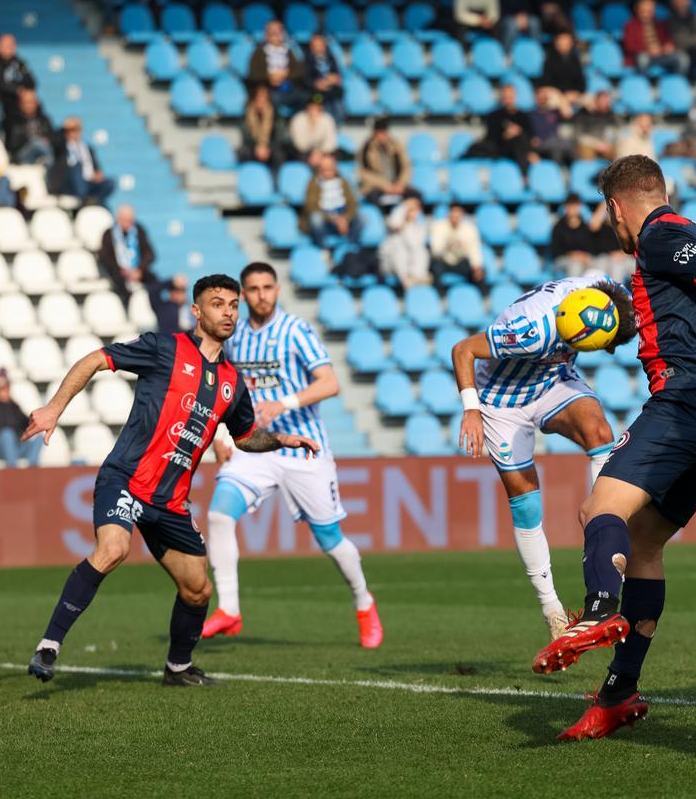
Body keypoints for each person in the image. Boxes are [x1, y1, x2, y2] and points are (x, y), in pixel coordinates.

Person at [532, 155, 696, 744]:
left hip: (686, 403)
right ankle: (620, 693)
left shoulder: (661, 236)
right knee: (643, 545)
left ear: (618, 207)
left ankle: (597, 610)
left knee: (599, 511)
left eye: (607, 214)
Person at [24, 274, 320, 686]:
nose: (229, 312)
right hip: (127, 478)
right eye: (218, 304)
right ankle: (48, 647)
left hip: (171, 501)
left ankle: (178, 668)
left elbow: (244, 435)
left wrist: (280, 439)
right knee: (113, 549)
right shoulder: (164, 348)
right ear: (197, 312)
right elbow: (95, 359)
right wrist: (55, 408)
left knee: (198, 590)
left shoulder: (232, 383)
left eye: (233, 305)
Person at [203, 262, 381, 646]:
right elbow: (226, 390)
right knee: (218, 515)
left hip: (305, 448)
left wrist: (284, 402)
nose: (261, 295)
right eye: (252, 289)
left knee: (329, 538)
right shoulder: (234, 340)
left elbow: (330, 383)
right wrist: (220, 433)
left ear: (278, 289)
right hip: (254, 447)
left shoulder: (295, 331)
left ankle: (364, 602)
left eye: (268, 287)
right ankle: (230, 609)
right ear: (243, 294)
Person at [453, 275, 636, 640]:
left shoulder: (604, 295)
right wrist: (471, 410)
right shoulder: (531, 331)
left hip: (551, 383)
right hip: (501, 402)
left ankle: (605, 529)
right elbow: (462, 350)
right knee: (525, 506)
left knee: (600, 432)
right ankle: (552, 609)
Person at [0, 369, 42, 467]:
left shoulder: (14, 407)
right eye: (1, 389)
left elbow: (27, 423)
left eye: (6, 388)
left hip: (15, 447)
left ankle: (32, 468)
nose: (4, 391)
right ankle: (12, 469)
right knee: (7, 434)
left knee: (39, 437)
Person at [98, 205, 158, 307]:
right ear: (118, 219)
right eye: (125, 220)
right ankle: (127, 309)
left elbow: (150, 254)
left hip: (138, 271)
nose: (129, 223)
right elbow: (105, 257)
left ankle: (154, 309)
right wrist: (122, 270)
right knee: (120, 286)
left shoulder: (138, 231)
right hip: (118, 273)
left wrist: (139, 270)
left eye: (131, 220)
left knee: (155, 283)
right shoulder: (109, 234)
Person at [464, 83, 533, 172]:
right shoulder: (494, 115)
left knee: (518, 141)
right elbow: (491, 137)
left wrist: (519, 131)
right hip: (500, 147)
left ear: (515, 97)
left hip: (519, 148)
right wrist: (506, 135)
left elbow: (531, 136)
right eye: (505, 97)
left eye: (510, 97)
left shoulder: (523, 116)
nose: (508, 100)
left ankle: (524, 174)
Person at [247, 20, 306, 114]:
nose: (275, 35)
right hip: (268, 88)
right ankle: (278, 126)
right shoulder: (258, 52)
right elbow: (252, 74)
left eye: (278, 31)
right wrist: (269, 77)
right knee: (273, 99)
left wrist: (285, 75)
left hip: (288, 87)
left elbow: (300, 70)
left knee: (305, 96)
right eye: (271, 32)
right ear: (266, 34)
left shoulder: (289, 50)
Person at [300, 155, 359, 245]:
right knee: (316, 219)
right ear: (320, 169)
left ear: (335, 168)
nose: (327, 171)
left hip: (342, 214)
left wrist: (345, 218)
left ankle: (351, 245)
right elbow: (311, 206)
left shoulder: (343, 182)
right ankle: (323, 247)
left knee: (361, 218)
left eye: (330, 168)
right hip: (325, 217)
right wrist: (334, 219)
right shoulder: (314, 182)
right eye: (324, 168)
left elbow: (352, 203)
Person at [356, 117, 414, 206]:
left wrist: (401, 183)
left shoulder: (396, 145)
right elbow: (364, 173)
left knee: (416, 195)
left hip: (396, 185)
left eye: (384, 132)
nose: (382, 135)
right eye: (379, 132)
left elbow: (406, 166)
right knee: (374, 198)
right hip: (376, 187)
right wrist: (385, 186)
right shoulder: (366, 148)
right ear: (375, 133)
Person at [59, 116, 115, 205]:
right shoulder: (61, 147)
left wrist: (97, 173)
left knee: (110, 183)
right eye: (70, 130)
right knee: (76, 166)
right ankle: (84, 199)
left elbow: (97, 167)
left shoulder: (87, 148)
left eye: (76, 129)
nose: (73, 133)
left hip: (89, 181)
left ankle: (93, 202)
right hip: (71, 183)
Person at [623, 0, 685, 75]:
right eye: (644, 9)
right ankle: (642, 83)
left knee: (681, 57)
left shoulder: (659, 24)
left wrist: (668, 46)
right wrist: (648, 50)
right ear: (637, 9)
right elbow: (629, 47)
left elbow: (668, 39)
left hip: (661, 55)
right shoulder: (630, 25)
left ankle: (676, 82)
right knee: (642, 58)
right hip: (645, 56)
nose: (647, 12)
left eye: (650, 9)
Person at [379, 196, 429, 288]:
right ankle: (407, 281)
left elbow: (414, 245)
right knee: (399, 250)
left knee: (422, 251)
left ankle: (417, 277)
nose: (411, 213)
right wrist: (403, 206)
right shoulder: (394, 225)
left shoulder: (420, 227)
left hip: (411, 265)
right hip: (390, 264)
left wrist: (408, 226)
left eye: (414, 210)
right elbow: (394, 223)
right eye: (409, 210)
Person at [429, 203, 484, 282]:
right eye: (453, 214)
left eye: (458, 215)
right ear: (449, 214)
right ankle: (439, 293)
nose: (455, 217)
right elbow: (435, 250)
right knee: (436, 269)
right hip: (443, 261)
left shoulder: (469, 228)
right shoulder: (439, 226)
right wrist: (448, 245)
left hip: (461, 261)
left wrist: (477, 267)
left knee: (479, 273)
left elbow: (474, 249)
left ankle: (482, 293)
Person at [0, 34, 36, 119]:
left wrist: (25, 92)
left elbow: (31, 82)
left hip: (20, 99)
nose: (9, 48)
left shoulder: (20, 63)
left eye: (12, 45)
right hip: (2, 99)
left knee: (32, 102)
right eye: (6, 45)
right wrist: (17, 90)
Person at [241, 84, 288, 170]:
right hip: (253, 147)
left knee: (279, 154)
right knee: (244, 152)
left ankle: (275, 180)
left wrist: (268, 147)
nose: (261, 100)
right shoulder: (247, 114)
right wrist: (257, 147)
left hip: (270, 147)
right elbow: (245, 135)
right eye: (259, 97)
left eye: (264, 97)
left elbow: (279, 135)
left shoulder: (275, 115)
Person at [4, 87, 53, 166]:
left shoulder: (44, 120)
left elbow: (53, 136)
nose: (28, 106)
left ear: (36, 103)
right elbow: (12, 144)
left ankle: (48, 167)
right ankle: (49, 166)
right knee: (37, 142)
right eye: (25, 103)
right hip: (22, 155)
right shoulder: (13, 121)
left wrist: (48, 140)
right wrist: (32, 140)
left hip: (42, 151)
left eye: (31, 102)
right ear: (20, 104)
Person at [550, 194, 594, 277]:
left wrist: (584, 256)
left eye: (575, 205)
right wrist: (572, 255)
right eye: (569, 205)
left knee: (598, 264)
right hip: (563, 260)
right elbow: (556, 251)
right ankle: (574, 289)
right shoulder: (558, 227)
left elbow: (591, 247)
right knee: (575, 266)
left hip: (583, 259)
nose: (572, 209)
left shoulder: (585, 227)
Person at [289, 94, 336, 167]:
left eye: (318, 106)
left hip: (322, 153)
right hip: (303, 153)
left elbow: (331, 143)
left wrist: (319, 152)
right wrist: (314, 153)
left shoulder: (327, 119)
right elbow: (300, 144)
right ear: (308, 106)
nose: (315, 109)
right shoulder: (298, 119)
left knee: (332, 158)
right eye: (313, 106)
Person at [304, 34, 343, 122]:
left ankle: (338, 122)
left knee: (338, 103)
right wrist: (316, 83)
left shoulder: (331, 58)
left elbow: (337, 75)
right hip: (316, 93)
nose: (318, 48)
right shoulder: (307, 60)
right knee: (320, 100)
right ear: (311, 47)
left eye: (320, 45)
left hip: (332, 90)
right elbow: (306, 79)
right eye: (315, 46)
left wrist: (334, 79)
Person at [539, 29, 585, 104]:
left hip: (573, 95)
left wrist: (575, 93)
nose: (564, 43)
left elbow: (581, 83)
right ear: (556, 43)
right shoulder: (549, 61)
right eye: (561, 41)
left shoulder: (575, 61)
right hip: (555, 94)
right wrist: (562, 95)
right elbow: (547, 83)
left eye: (567, 41)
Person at [573, 89, 619, 160]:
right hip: (588, 143)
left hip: (605, 143)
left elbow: (614, 130)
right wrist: (596, 144)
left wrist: (606, 143)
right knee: (586, 152)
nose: (606, 103)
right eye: (603, 101)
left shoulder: (610, 114)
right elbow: (579, 135)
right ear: (596, 100)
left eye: (607, 101)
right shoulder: (583, 113)